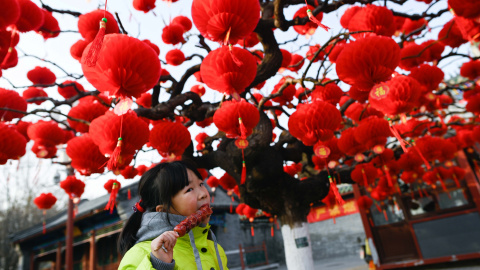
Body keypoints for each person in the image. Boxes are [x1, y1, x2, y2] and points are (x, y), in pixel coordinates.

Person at [118, 161, 228, 269]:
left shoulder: (215, 249)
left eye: (201, 184)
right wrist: (159, 265)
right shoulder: (140, 254)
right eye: (189, 189)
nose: (203, 194)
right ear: (162, 210)